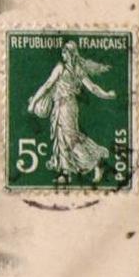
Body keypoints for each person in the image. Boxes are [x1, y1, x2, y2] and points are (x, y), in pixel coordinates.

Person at [27, 41, 116, 183]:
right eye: (63, 51)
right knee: (61, 137)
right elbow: (92, 88)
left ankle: (96, 161)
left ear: (71, 54)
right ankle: (65, 173)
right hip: (62, 106)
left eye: (65, 52)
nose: (63, 54)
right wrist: (107, 95)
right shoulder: (76, 69)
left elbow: (48, 85)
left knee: (70, 139)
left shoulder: (63, 68)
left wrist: (33, 103)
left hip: (66, 107)